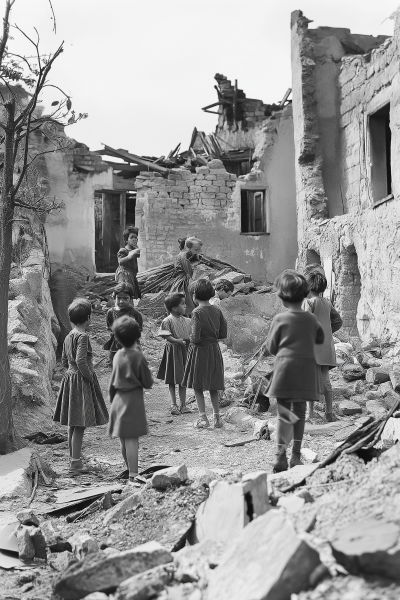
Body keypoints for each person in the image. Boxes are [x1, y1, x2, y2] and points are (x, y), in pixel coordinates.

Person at [266, 270, 324, 473]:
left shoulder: (279, 319)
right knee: (300, 413)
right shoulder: (310, 319)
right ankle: (296, 456)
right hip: (307, 369)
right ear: (305, 295)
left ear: (282, 297)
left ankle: (279, 455)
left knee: (284, 414)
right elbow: (320, 340)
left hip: (285, 368)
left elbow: (272, 348)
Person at [53, 298, 109, 475]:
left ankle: (73, 457)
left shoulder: (69, 335)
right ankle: (76, 463)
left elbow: (63, 360)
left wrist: (70, 372)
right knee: (80, 424)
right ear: (89, 318)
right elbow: (80, 360)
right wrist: (89, 377)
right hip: (80, 380)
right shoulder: (83, 336)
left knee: (72, 422)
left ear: (71, 319)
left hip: (69, 378)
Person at [108, 316, 153, 483]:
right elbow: (148, 383)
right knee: (133, 440)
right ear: (138, 335)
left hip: (117, 400)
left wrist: (111, 401)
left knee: (124, 440)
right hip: (132, 400)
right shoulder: (138, 357)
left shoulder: (118, 355)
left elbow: (112, 382)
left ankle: (129, 469)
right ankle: (133, 475)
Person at [182, 278, 227, 429]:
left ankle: (203, 418)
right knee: (214, 385)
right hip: (214, 350)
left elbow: (195, 337)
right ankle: (217, 418)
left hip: (200, 351)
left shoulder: (196, 312)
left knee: (198, 385)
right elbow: (222, 333)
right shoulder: (217, 310)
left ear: (194, 295)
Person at [302, 270, 343, 422]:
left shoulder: (309, 302)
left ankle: (309, 413)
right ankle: (329, 413)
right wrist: (327, 331)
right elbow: (338, 322)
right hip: (326, 347)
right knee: (326, 381)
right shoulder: (327, 303)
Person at [157, 292, 192, 415]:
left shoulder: (187, 320)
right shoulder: (168, 320)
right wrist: (177, 341)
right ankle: (173, 404)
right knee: (172, 379)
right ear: (174, 308)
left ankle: (183, 405)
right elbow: (165, 335)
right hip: (173, 351)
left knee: (183, 379)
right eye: (182, 304)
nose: (185, 306)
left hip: (184, 351)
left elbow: (191, 334)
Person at [104, 282, 144, 363]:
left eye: (125, 298)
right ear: (114, 297)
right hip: (116, 341)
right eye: (119, 298)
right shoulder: (111, 312)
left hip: (130, 341)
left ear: (131, 299)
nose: (121, 301)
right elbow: (109, 326)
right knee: (113, 358)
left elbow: (139, 328)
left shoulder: (134, 313)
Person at [170, 237, 203, 316]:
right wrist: (191, 282)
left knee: (186, 302)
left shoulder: (186, 253)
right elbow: (188, 272)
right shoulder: (183, 256)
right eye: (196, 250)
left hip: (183, 278)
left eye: (199, 250)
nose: (198, 252)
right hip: (182, 280)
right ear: (189, 248)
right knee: (182, 299)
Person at [115, 226, 141, 299]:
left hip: (132, 275)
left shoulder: (135, 250)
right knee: (124, 292)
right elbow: (120, 261)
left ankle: (129, 308)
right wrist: (130, 256)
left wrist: (136, 248)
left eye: (136, 238)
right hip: (124, 274)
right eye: (132, 237)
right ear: (126, 240)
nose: (134, 239)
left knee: (132, 294)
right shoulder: (123, 250)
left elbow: (138, 254)